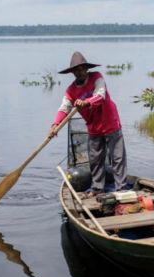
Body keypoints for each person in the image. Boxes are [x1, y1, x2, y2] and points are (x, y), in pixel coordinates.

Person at [48, 51, 128, 197]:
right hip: (93, 127)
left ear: (87, 69)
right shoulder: (71, 91)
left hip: (110, 122)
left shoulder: (97, 77)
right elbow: (64, 108)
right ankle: (98, 188)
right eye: (76, 70)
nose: (80, 72)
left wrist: (86, 102)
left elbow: (100, 96)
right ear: (72, 73)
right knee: (95, 159)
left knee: (117, 157)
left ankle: (121, 188)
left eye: (82, 69)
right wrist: (55, 125)